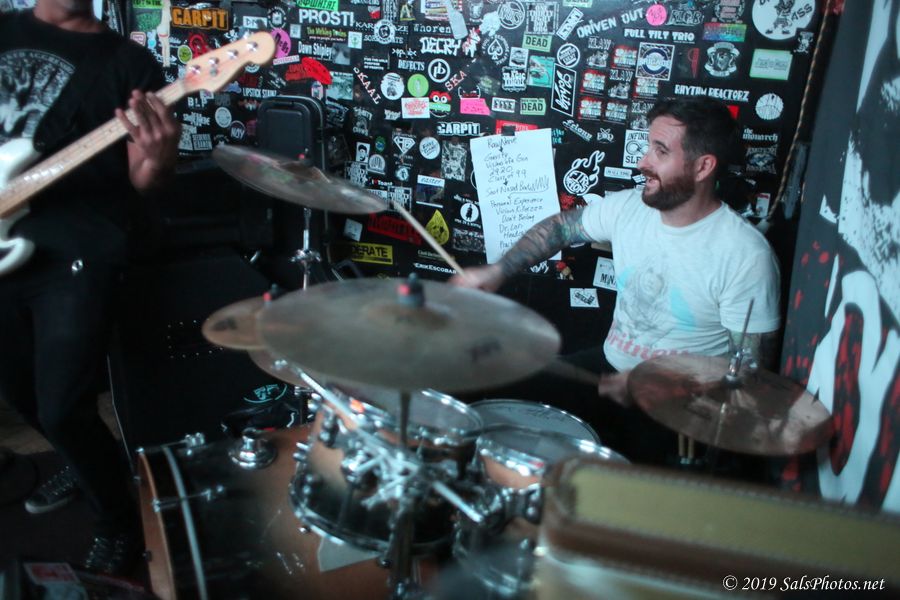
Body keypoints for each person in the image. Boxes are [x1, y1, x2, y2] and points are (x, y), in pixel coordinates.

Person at [453, 96, 781, 464]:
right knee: (492, 390)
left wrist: (660, 385)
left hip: (681, 408)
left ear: (703, 166)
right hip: (610, 369)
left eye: (660, 151)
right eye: (648, 147)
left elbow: (749, 376)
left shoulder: (744, 255)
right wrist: (499, 270)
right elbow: (562, 228)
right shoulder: (630, 208)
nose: (643, 162)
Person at [0, 0, 180, 575]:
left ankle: (117, 521)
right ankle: (84, 466)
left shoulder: (129, 63)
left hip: (79, 254)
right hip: (5, 251)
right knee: (22, 396)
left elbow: (142, 178)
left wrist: (158, 157)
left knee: (62, 408)